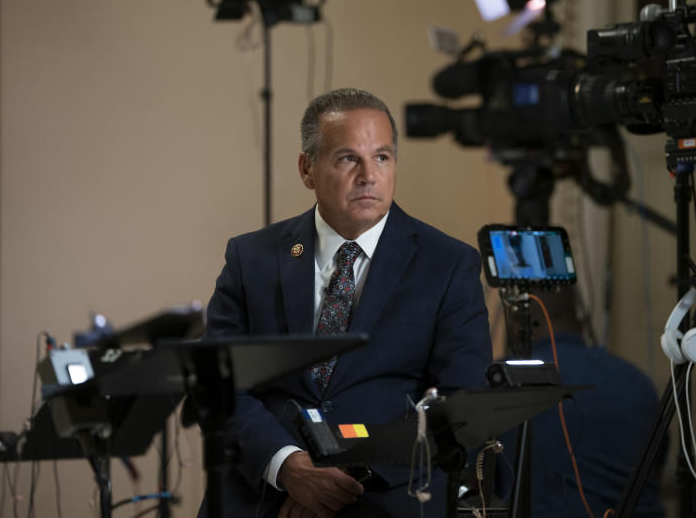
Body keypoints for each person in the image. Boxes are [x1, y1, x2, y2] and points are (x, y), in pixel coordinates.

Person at [201, 88, 493, 518]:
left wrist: (339, 483)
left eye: (382, 157)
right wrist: (288, 469)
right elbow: (220, 386)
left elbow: (459, 404)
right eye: (347, 158)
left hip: (383, 498)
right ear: (307, 169)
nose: (368, 176)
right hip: (261, 495)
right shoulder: (251, 258)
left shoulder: (448, 264)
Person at [499, 287, 666, 516]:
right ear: (582, 322)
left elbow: (473, 482)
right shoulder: (636, 379)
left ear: (519, 324)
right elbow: (655, 469)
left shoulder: (501, 383)